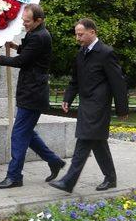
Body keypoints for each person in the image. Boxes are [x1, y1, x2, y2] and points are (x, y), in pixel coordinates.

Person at [0, 4, 66, 189]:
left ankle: (14, 176)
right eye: (23, 20)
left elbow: (22, 61)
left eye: (27, 21)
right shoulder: (34, 34)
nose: (24, 24)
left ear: (39, 20)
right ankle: (54, 161)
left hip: (33, 94)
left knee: (19, 134)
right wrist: (16, 46)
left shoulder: (40, 36)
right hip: (29, 91)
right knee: (27, 133)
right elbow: (30, 54)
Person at [49, 18, 128, 193]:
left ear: (92, 32)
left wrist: (122, 108)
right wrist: (68, 98)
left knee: (84, 139)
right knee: (98, 142)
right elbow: (75, 80)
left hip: (99, 106)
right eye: (76, 34)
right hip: (86, 104)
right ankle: (111, 178)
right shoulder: (81, 53)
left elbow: (118, 82)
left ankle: (68, 181)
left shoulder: (106, 53)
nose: (77, 38)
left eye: (81, 34)